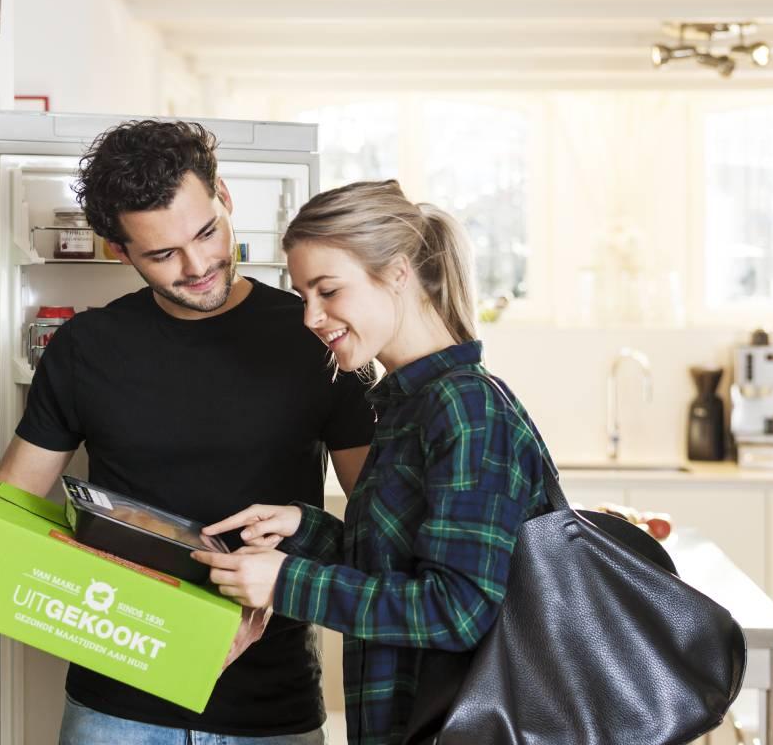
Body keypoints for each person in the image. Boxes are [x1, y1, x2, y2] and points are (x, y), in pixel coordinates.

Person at [0, 120, 374, 745]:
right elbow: (14, 493)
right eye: (162, 254)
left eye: (207, 232)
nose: (197, 266)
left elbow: (378, 525)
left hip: (271, 703)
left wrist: (290, 571)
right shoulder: (86, 347)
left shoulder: (315, 339)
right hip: (115, 705)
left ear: (224, 197)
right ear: (119, 250)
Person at [192, 180, 554, 745]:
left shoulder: (466, 408)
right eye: (303, 294)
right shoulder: (411, 404)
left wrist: (285, 580)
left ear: (399, 272)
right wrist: (302, 528)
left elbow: (457, 609)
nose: (311, 316)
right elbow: (404, 570)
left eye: (328, 290)